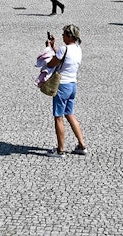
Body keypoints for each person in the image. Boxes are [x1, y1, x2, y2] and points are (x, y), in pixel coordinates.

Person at [43, 25, 87, 158]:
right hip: (72, 84)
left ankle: (60, 150)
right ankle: (81, 145)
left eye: (64, 34)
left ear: (69, 36)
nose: (62, 36)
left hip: (62, 85)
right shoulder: (77, 49)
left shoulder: (64, 49)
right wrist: (53, 47)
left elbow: (51, 64)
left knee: (58, 117)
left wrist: (48, 50)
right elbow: (63, 57)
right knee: (70, 114)